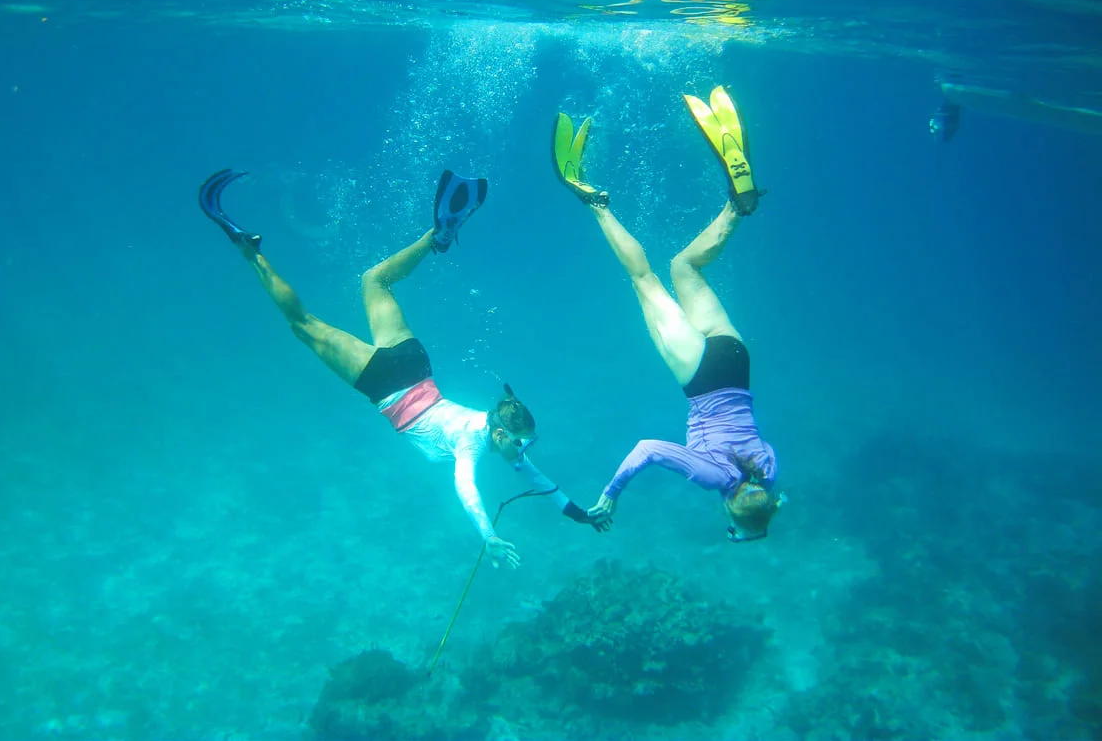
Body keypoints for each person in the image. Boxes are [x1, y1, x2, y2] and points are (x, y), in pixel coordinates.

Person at [197, 167, 610, 568]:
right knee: (302, 325)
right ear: (502, 432)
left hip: (415, 365)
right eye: (522, 444)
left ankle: (436, 237)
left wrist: (580, 514)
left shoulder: (494, 434)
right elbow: (465, 489)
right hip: (386, 384)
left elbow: (540, 481)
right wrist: (487, 536)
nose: (524, 453)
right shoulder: (471, 444)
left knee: (374, 281)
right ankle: (245, 247)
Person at [551, 87, 784, 542]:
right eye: (734, 529)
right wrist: (613, 492)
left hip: (735, 361)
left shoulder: (769, 473)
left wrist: (766, 503)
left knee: (684, 266)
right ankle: (596, 205)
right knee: (644, 280)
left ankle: (738, 207)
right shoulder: (715, 479)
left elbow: (764, 487)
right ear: (733, 513)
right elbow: (649, 449)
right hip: (701, 378)